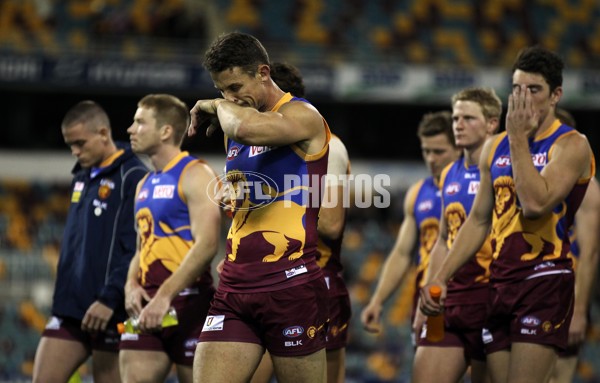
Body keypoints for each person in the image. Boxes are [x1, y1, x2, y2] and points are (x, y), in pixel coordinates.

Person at [421, 46, 596, 383]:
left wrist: (517, 136)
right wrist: (441, 276)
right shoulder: (493, 146)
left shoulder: (571, 145)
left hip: (544, 279)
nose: (523, 97)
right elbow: (479, 220)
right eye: (517, 89)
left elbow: (534, 203)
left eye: (534, 90)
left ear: (555, 95)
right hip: (499, 282)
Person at [188, 32, 331, 383]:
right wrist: (231, 193)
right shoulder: (233, 127)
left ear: (263, 73)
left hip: (290, 286)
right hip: (235, 288)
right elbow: (251, 187)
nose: (230, 98)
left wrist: (214, 105)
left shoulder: (303, 115)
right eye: (222, 91)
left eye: (235, 87)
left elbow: (247, 129)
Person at [247, 62, 352, 383]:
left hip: (313, 279)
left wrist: (272, 198)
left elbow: (331, 224)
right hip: (269, 279)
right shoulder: (265, 149)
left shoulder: (328, 147)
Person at [33, 101, 148, 383]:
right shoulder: (82, 174)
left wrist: (109, 300)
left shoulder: (132, 175)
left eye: (80, 143)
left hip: (110, 310)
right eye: (70, 144)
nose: (75, 151)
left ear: (103, 133)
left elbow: (135, 246)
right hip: (70, 309)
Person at [119, 94, 222, 382]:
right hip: (145, 305)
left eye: (140, 122)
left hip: (190, 304)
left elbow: (207, 245)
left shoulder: (196, 174)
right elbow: (143, 246)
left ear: (165, 131)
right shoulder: (144, 183)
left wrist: (164, 296)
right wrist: (131, 285)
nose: (130, 129)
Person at [413, 87, 502, 383]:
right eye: (455, 118)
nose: (458, 125)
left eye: (467, 118)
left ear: (491, 123)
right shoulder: (451, 171)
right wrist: (429, 292)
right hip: (451, 301)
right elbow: (443, 238)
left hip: (493, 299)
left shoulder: (506, 168)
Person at [361, 111, 460, 344]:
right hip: (429, 299)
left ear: (459, 149)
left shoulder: (475, 189)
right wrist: (378, 300)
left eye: (439, 151)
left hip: (469, 292)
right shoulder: (417, 193)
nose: (431, 159)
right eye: (426, 151)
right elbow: (402, 253)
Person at [549, 111, 600, 383]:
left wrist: (579, 311)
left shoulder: (588, 188)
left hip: (566, 299)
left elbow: (590, 254)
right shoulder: (538, 183)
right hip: (531, 292)